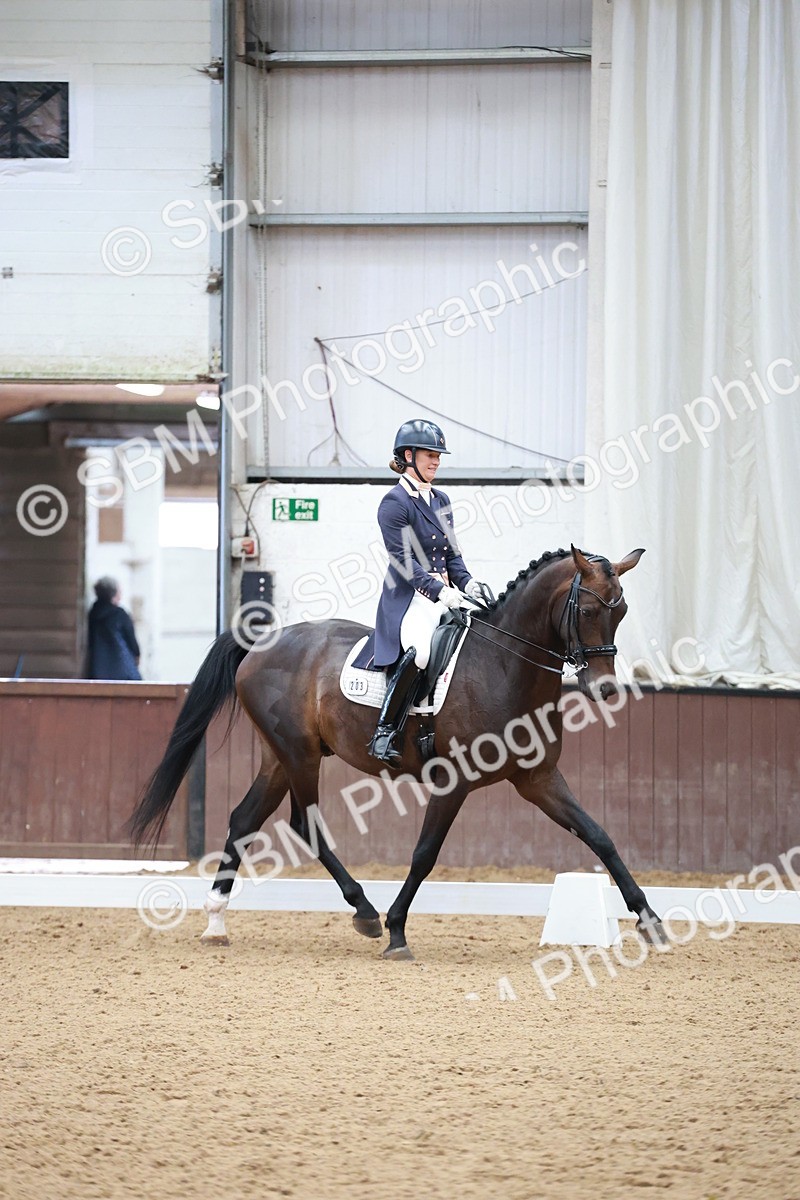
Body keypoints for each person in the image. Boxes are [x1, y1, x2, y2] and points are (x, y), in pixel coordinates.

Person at [353, 419, 488, 764]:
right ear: (409, 455)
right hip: (411, 598)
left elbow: (452, 555)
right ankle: (385, 732)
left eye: (438, 456)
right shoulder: (394, 503)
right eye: (430, 455)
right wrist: (440, 592)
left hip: (446, 592)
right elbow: (404, 563)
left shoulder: (440, 499)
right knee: (421, 653)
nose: (436, 462)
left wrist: (468, 582)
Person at [86, 577, 142, 680]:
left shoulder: (91, 615)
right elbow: (132, 642)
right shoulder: (120, 614)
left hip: (97, 670)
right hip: (123, 671)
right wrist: (137, 656)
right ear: (114, 594)